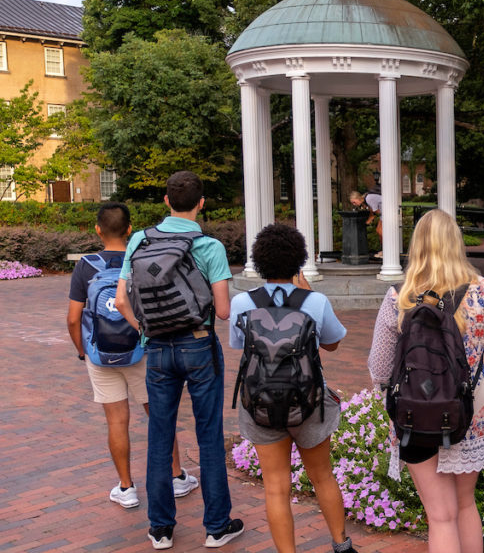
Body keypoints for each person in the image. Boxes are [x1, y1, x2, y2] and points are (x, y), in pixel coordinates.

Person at [367, 208, 484, 553]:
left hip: (415, 411)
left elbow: (379, 368)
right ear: (456, 243)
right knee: (465, 505)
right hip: (472, 411)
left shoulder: (400, 295)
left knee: (440, 516)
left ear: (418, 245)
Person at [114, 171, 243, 550]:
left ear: (166, 201)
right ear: (201, 203)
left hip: (155, 349)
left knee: (159, 435)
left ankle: (161, 529)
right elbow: (222, 312)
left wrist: (145, 331)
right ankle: (217, 526)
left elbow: (122, 300)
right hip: (199, 345)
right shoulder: (210, 247)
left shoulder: (139, 239)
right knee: (209, 435)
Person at [228, 224, 358, 553]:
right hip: (310, 401)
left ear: (259, 261)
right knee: (323, 476)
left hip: (259, 402)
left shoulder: (242, 302)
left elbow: (237, 344)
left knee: (275, 486)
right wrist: (310, 292)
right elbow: (332, 343)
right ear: (299, 260)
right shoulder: (314, 301)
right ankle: (341, 545)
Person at [67, 202, 198, 509]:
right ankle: (177, 477)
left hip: (100, 354)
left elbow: (73, 318)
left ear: (98, 230)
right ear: (129, 229)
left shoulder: (86, 265)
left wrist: (82, 351)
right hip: (142, 350)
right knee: (159, 414)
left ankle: (126, 488)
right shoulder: (140, 258)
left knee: (117, 421)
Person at [349, 188, 383, 257]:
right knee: (378, 231)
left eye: (354, 202)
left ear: (358, 198)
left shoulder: (369, 199)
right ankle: (384, 250)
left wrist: (371, 218)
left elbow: (376, 211)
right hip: (383, 213)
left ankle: (385, 250)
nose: (354, 204)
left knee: (380, 231)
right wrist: (369, 220)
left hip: (387, 211)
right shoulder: (366, 200)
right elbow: (372, 212)